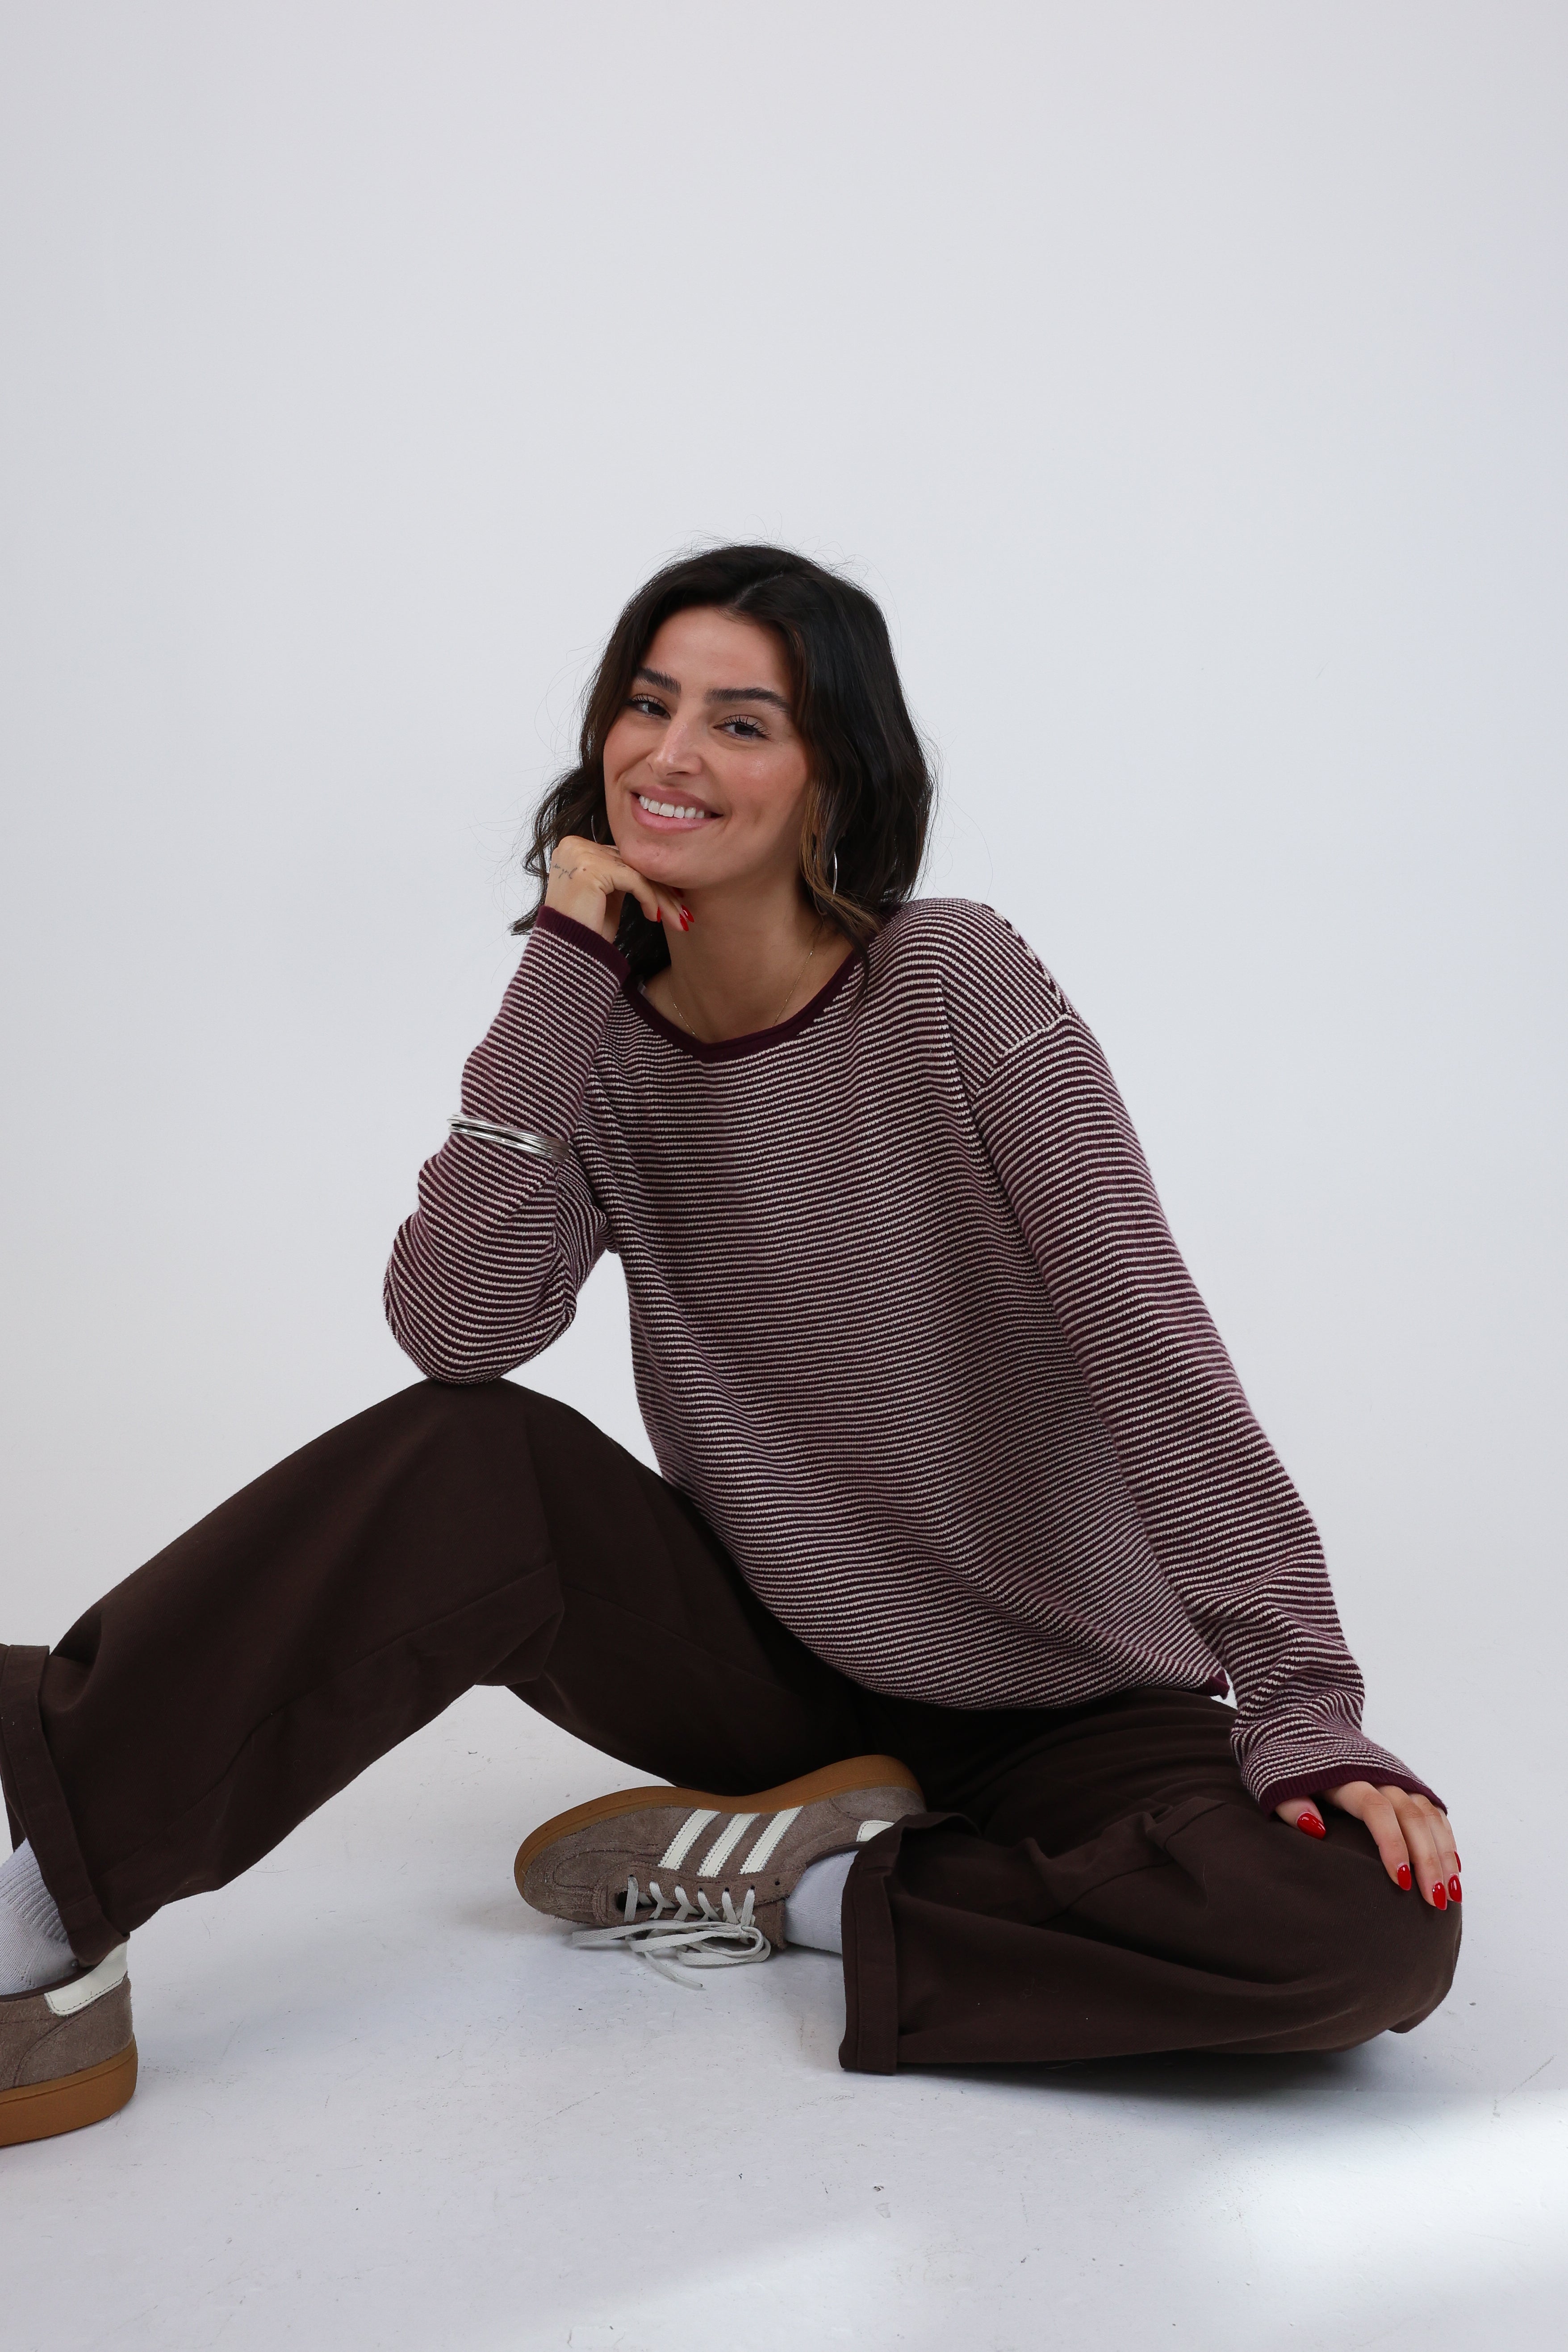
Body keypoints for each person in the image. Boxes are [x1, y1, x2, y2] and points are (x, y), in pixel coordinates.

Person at [0, 545, 1460, 2147]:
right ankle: (36, 1903)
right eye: (648, 704)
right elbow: (457, 1328)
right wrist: (564, 969)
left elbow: (1151, 1346)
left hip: (1073, 1702)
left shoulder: (954, 982)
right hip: (773, 1675)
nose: (672, 753)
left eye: (741, 722)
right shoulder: (593, 1041)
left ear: (835, 774)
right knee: (470, 1454)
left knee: (1370, 1933)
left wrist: (1304, 1705)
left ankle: (811, 1885)